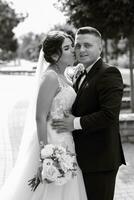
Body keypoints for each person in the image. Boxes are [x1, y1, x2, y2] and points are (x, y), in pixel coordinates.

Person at [0, 31, 87, 199]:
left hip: (67, 139)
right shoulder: (50, 77)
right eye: (67, 48)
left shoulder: (65, 75)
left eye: (71, 46)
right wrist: (45, 155)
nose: (73, 51)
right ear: (55, 55)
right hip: (52, 140)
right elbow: (40, 117)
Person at [52, 26, 126, 200]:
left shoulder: (109, 73)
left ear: (99, 47)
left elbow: (109, 115)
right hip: (82, 158)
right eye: (77, 46)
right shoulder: (80, 73)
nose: (81, 50)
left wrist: (74, 123)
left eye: (87, 45)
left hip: (100, 160)